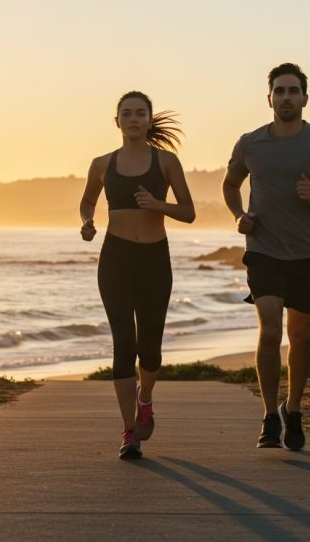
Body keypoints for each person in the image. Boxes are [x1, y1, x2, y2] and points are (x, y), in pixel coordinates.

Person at [222, 63, 310, 451]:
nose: (286, 97)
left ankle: (293, 409)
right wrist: (239, 216)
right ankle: (268, 416)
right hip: (264, 252)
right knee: (269, 331)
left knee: (300, 336)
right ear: (269, 98)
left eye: (293, 90)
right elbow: (230, 184)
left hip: (308, 255)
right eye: (279, 91)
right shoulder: (250, 143)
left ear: (305, 98)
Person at [79, 91, 196, 459]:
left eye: (140, 113)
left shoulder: (166, 162)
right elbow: (87, 200)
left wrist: (157, 204)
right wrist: (87, 221)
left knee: (150, 348)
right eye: (126, 113)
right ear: (117, 121)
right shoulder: (101, 163)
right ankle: (129, 430)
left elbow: (189, 212)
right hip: (115, 258)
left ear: (148, 119)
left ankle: (145, 399)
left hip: (153, 260)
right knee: (123, 345)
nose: (133, 119)